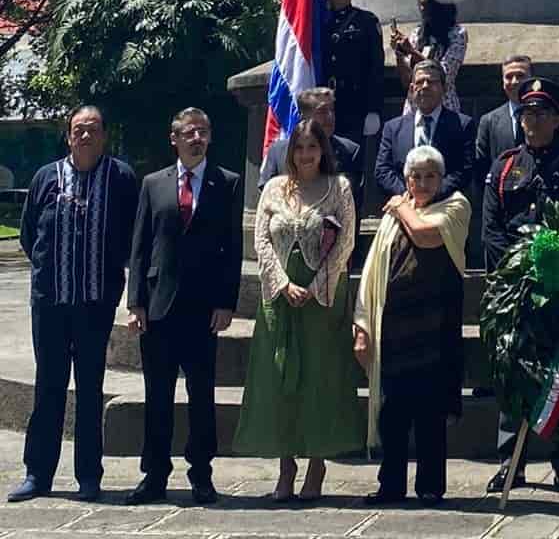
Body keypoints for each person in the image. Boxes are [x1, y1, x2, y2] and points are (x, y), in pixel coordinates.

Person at [9, 105, 139, 503]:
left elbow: (132, 238)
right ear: (68, 136)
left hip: (94, 307)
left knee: (88, 390)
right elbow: (30, 236)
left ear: (104, 137)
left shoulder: (121, 178)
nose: (85, 136)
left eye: (93, 130)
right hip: (49, 304)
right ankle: (38, 474)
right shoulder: (46, 177)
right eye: (78, 130)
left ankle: (89, 477)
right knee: (48, 387)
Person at [233, 121, 363, 499]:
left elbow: (347, 241)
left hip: (322, 297)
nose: (305, 155)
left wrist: (316, 283)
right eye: (299, 148)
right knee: (279, 377)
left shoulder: (339, 188)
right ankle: (285, 465)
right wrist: (283, 283)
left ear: (323, 151)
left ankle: (317, 464)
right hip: (279, 296)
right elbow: (261, 239)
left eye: (312, 147)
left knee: (319, 378)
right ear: (289, 153)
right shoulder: (274, 188)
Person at [125, 108, 241, 506]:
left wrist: (227, 302)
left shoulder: (226, 182)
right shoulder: (153, 184)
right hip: (158, 308)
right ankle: (154, 475)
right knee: (157, 396)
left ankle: (202, 474)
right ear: (173, 139)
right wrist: (135, 300)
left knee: (201, 396)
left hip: (203, 309)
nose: (197, 138)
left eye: (203, 132)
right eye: (189, 133)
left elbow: (232, 250)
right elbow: (140, 247)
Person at [482, 76, 559, 495]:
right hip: (514, 287)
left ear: (557, 119)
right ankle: (512, 462)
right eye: (527, 113)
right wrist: (514, 269)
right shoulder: (505, 166)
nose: (532, 121)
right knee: (513, 372)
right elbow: (490, 228)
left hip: (558, 287)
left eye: (541, 113)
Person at [354, 144, 470, 505]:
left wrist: (401, 205)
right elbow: (372, 271)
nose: (422, 182)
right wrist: (362, 325)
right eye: (415, 176)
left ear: (441, 178)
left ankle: (430, 487)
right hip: (394, 328)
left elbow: (425, 234)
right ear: (406, 179)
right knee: (393, 412)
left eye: (430, 176)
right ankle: (390, 485)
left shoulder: (455, 206)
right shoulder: (392, 217)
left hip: (434, 328)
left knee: (430, 413)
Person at [376, 60, 475, 199]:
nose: (425, 86)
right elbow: (383, 170)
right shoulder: (393, 128)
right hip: (405, 204)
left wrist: (430, 195)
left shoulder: (462, 125)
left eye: (432, 82)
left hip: (444, 205)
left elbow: (464, 170)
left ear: (444, 88)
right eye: (419, 82)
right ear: (411, 89)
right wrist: (410, 194)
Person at [321, 0, 385, 152]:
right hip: (321, 104)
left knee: (350, 161)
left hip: (353, 105)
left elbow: (375, 67)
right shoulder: (316, 21)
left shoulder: (366, 21)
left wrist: (373, 109)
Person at [259, 86, 363, 201]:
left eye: (332, 110)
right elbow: (266, 195)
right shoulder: (278, 151)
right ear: (304, 116)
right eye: (322, 111)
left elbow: (352, 201)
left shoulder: (349, 151)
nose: (330, 116)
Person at [391, 0, 468, 113]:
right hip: (414, 110)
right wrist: (399, 53)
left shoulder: (457, 34)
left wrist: (411, 51)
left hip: (444, 108)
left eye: (427, 5)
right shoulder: (417, 33)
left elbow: (444, 74)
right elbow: (407, 80)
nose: (422, 9)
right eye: (420, 4)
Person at [475, 54, 533, 189]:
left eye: (520, 76)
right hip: (502, 199)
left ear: (532, 79)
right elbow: (482, 169)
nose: (514, 81)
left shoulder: (546, 116)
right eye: (508, 77)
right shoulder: (488, 121)